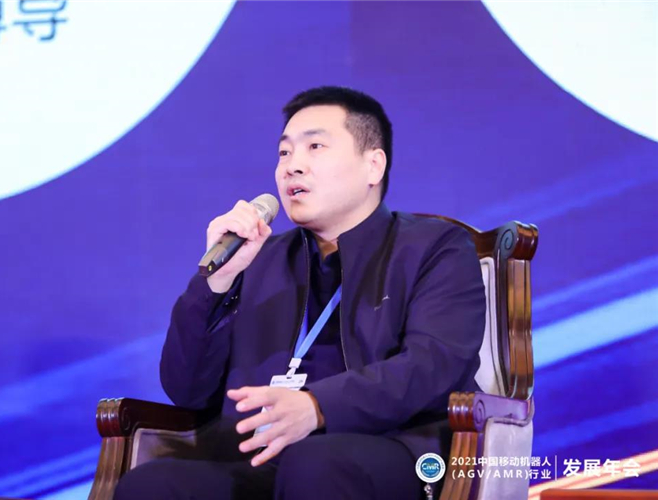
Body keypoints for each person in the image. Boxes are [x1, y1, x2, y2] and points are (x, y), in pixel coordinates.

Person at [114, 86, 486, 500]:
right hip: (261, 461)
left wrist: (317, 406)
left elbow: (433, 364)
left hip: (390, 450)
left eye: (315, 147)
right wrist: (216, 284)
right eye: (284, 152)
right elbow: (187, 390)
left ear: (373, 165)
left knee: (316, 465)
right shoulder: (258, 259)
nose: (292, 166)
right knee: (152, 485)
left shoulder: (433, 247)